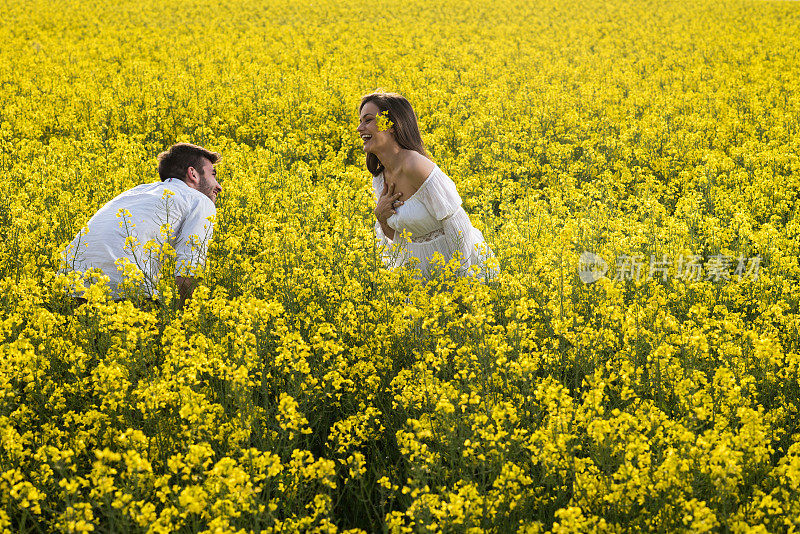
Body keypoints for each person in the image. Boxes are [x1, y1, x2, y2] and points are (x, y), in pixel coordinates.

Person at [358, 92, 496, 279]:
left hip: (457, 269)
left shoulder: (414, 165)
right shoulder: (380, 178)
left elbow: (458, 223)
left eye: (368, 120)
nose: (360, 128)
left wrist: (461, 276)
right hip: (419, 277)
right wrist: (381, 217)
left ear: (391, 125)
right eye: (360, 121)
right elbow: (398, 239)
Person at [61, 142, 222, 302]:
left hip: (67, 289)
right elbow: (189, 270)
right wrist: (185, 318)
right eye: (213, 175)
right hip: (125, 293)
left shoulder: (134, 192)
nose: (219, 186)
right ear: (193, 174)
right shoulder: (198, 200)